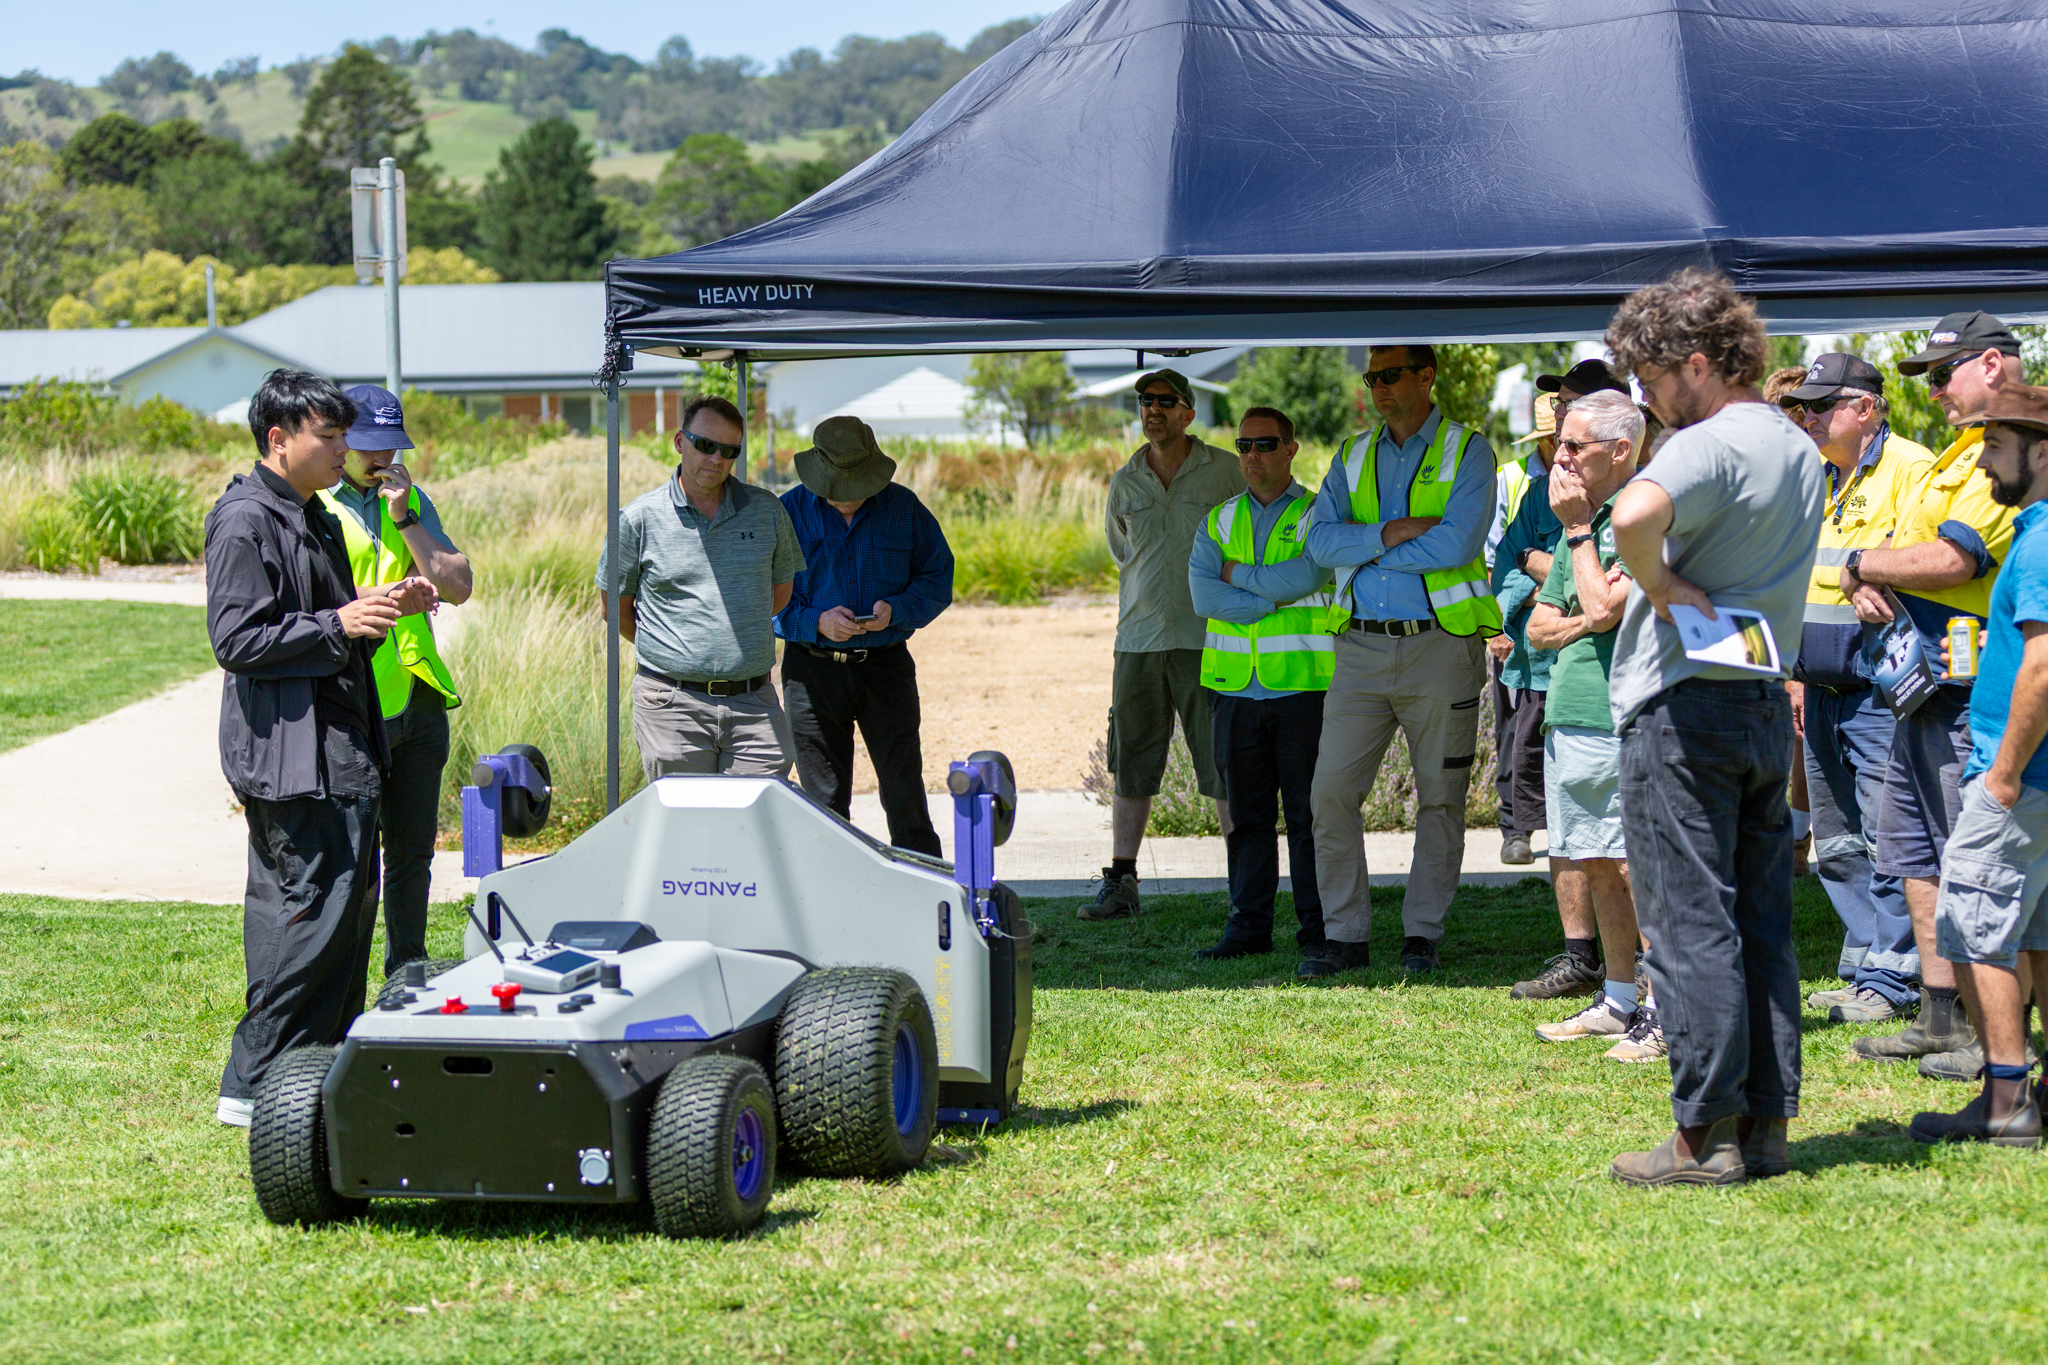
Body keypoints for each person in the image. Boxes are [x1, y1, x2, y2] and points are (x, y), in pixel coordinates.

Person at [1603, 268, 1825, 1185]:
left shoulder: (1708, 443)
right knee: (1761, 915)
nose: (1647, 401)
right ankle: (1765, 1125)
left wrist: (1659, 585)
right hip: (1760, 694)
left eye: (1653, 379)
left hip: (1683, 702)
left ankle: (1702, 1136)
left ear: (1698, 362)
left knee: (1689, 920)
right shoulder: (1798, 445)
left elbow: (1633, 511)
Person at [206, 370, 424, 1126]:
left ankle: (316, 1070)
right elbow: (236, 639)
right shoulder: (243, 521)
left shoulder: (312, 514)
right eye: (327, 438)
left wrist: (389, 604)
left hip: (338, 739)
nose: (343, 452)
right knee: (313, 907)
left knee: (335, 903)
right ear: (279, 439)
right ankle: (254, 1076)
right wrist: (338, 627)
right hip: (292, 750)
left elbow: (335, 612)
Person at [1844, 312, 2025, 1078]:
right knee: (1916, 854)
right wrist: (1871, 571)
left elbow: (1953, 558)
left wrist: (1864, 562)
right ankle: (1940, 1016)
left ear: (1993, 363)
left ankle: (1999, 1039)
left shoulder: (2009, 455)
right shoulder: (1960, 450)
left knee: (1973, 859)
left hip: (1970, 688)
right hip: (1919, 686)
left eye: (1944, 372)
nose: (1936, 389)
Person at [1299, 344, 1502, 979]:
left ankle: (1421, 936)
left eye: (1390, 376)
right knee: (1329, 792)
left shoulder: (1469, 451)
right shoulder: (1353, 454)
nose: (1378, 388)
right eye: (1371, 377)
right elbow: (1318, 538)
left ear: (1425, 377)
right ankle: (1345, 937)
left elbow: (1459, 541)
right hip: (1358, 649)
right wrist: (1389, 533)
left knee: (1441, 798)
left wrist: (1361, 549)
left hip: (1439, 648)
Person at [1778, 355, 1934, 1025]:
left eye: (1822, 405)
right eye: (1803, 407)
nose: (1808, 417)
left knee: (1891, 834)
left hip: (1878, 688)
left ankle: (1898, 978)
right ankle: (1866, 962)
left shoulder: (1911, 467)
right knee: (1838, 840)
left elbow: (1923, 558)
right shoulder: (1817, 478)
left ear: (1865, 408)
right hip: (1818, 686)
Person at [1911, 383, 2048, 1147]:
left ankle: (2005, 1100)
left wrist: (2000, 774)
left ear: (2042, 451)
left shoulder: (2037, 543)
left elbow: (2043, 667)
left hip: (2020, 778)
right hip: (2036, 779)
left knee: (1976, 925)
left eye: (1995, 445)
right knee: (2037, 932)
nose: (1982, 459)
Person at [317, 384, 471, 979]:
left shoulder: (407, 499)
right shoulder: (317, 504)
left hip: (417, 696)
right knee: (354, 854)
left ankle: (406, 968)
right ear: (340, 439)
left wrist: (406, 517)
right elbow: (311, 601)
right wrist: (390, 596)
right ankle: (340, 973)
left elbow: (458, 585)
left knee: (412, 853)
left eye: (391, 447)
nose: (380, 460)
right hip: (354, 701)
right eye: (367, 448)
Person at [1085, 368, 1246, 920]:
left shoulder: (1226, 470)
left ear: (1188, 412)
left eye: (1163, 402)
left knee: (1223, 765)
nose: (1151, 410)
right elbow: (1120, 550)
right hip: (1138, 641)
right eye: (1143, 402)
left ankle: (1243, 888)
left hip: (1210, 640)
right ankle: (1122, 883)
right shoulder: (1126, 479)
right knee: (1131, 764)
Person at [1522, 391, 1650, 1053]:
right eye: (1560, 444)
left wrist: (1574, 535)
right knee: (1597, 861)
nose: (1560, 457)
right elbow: (1540, 627)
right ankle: (1619, 999)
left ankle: (1662, 1006)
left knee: (1635, 866)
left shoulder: (1636, 517)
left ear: (1621, 451)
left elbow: (1602, 608)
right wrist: (1584, 615)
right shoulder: (1593, 525)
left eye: (1575, 445)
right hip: (1570, 715)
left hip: (1620, 715)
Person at [1187, 405, 1335, 959]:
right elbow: (1204, 597)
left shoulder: (1319, 516)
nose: (1252, 455)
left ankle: (1317, 932)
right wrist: (1269, 592)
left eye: (1265, 444)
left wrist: (1237, 579)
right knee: (1246, 819)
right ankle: (1247, 929)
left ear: (1291, 449)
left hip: (1303, 688)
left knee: (1306, 819)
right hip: (1232, 690)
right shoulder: (1218, 520)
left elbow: (1304, 577)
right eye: (1244, 445)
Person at [596, 395, 805, 782]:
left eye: (729, 451)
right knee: (685, 829)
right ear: (680, 442)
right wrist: (677, 651)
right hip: (672, 705)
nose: (716, 459)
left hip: (753, 704)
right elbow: (616, 611)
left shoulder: (767, 510)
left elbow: (779, 594)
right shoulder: (638, 519)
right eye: (705, 445)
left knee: (755, 826)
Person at [775, 416, 954, 855]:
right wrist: (814, 621)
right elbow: (761, 595)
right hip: (810, 674)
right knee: (824, 803)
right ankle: (826, 906)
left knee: (904, 795)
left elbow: (937, 576)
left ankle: (925, 899)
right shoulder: (786, 512)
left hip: (886, 669)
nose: (848, 496)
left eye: (857, 483)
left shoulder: (905, 507)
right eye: (837, 484)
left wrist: (897, 610)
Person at [1487, 389, 1559, 869]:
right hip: (1518, 632)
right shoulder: (1517, 482)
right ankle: (1516, 828)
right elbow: (1497, 561)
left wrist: (1541, 572)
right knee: (1516, 734)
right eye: (1556, 440)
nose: (1562, 450)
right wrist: (1500, 622)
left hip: (1559, 636)